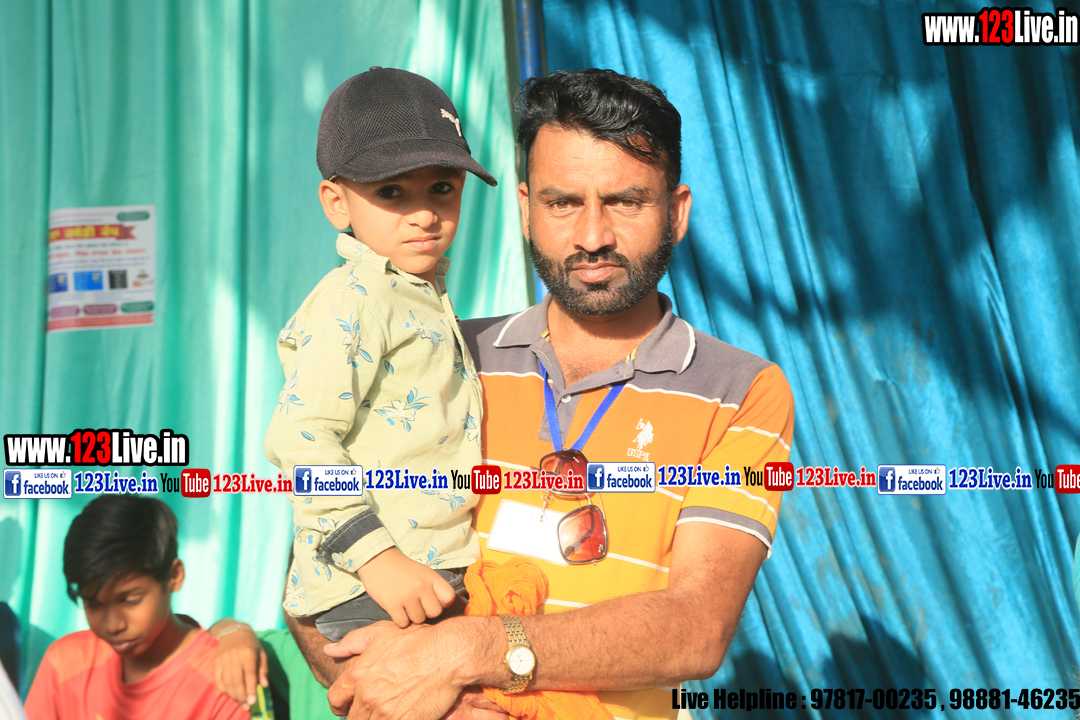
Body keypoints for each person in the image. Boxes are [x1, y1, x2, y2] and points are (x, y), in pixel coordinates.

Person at [288, 68, 795, 720]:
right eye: (562, 203)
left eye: (625, 202)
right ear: (525, 208)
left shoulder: (741, 390)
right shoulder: (445, 355)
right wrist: (419, 698)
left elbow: (695, 628)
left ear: (676, 212)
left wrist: (469, 653)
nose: (592, 236)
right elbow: (313, 573)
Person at [263, 67, 498, 647]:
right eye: (392, 192)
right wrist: (377, 559)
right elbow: (300, 438)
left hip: (428, 568)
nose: (424, 213)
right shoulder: (355, 297)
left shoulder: (412, 290)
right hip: (376, 582)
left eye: (442, 187)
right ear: (336, 202)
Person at [23, 495, 247, 719]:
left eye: (130, 600)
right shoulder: (65, 662)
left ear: (174, 575)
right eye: (93, 604)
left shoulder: (227, 680)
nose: (113, 625)